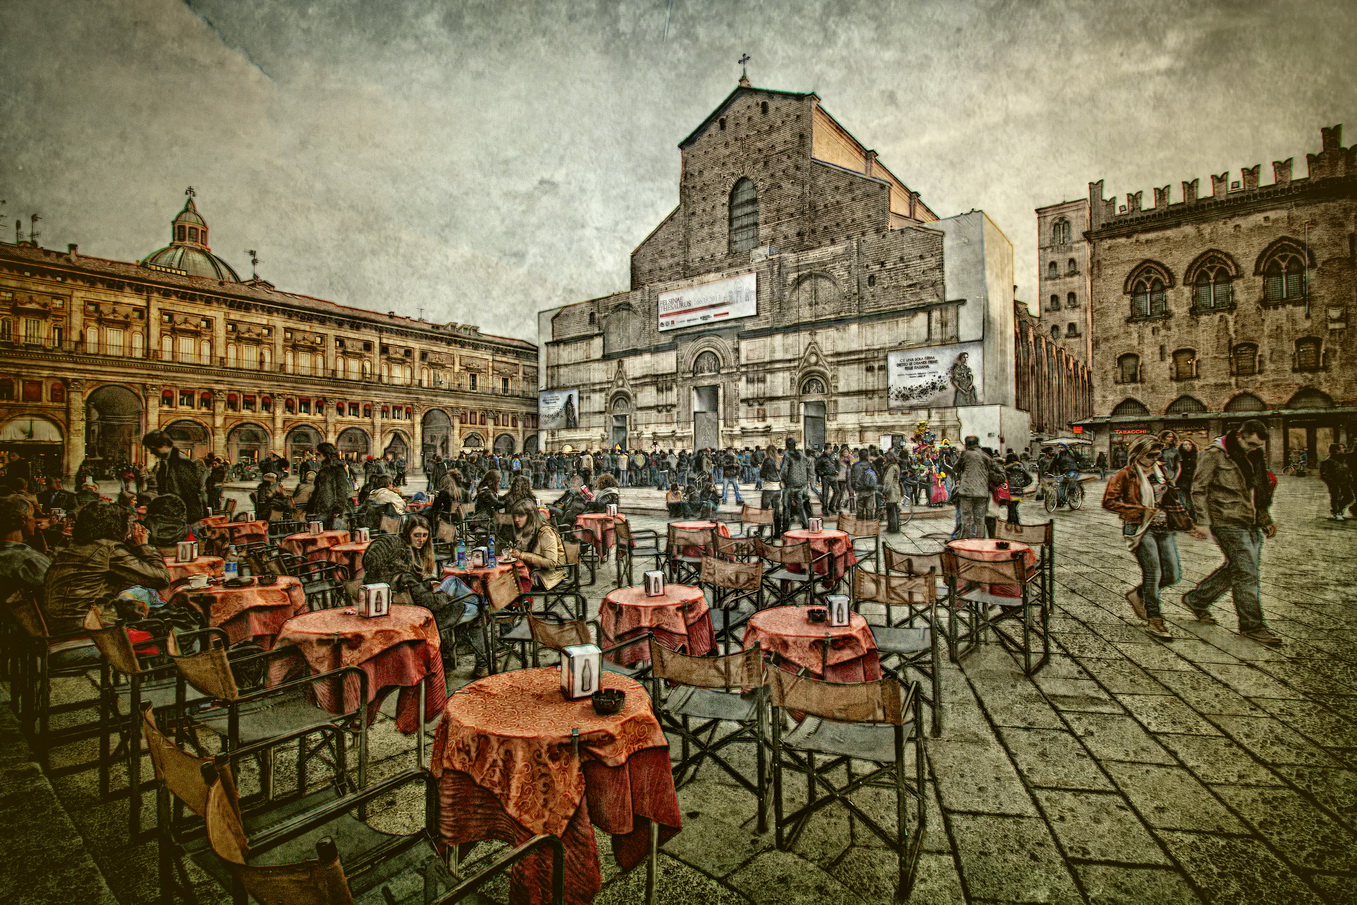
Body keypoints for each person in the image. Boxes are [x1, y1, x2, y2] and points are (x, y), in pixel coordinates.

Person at [1182, 420, 1283, 647]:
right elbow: (1198, 488)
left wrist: (1264, 518)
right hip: (1225, 520)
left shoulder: (1254, 456)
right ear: (1239, 436)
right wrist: (1202, 521)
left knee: (1239, 568)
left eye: (1259, 446)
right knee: (1247, 573)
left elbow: (1257, 490)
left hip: (1250, 521)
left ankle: (1197, 599)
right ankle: (1253, 626)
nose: (1254, 449)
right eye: (1251, 444)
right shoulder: (1215, 454)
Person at [1103, 435, 1206, 640]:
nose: (1154, 458)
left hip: (1164, 527)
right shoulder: (1125, 475)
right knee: (1153, 573)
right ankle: (1155, 619)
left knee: (1172, 574)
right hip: (1141, 528)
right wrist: (1140, 510)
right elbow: (1110, 501)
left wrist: (1188, 525)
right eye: (1150, 455)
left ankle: (1138, 594)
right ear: (1138, 453)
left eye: (1157, 454)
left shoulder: (1162, 471)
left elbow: (1172, 498)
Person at [363, 515, 487, 671]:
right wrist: (442, 594)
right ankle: (483, 664)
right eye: (416, 535)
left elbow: (420, 588)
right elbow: (429, 602)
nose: (421, 540)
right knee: (477, 609)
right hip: (429, 617)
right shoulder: (404, 575)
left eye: (424, 535)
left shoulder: (393, 572)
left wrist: (430, 583)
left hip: (419, 606)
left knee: (452, 581)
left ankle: (481, 605)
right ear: (407, 535)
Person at [41, 502, 171, 635]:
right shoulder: (108, 549)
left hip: (61, 628)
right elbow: (162, 579)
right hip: (91, 631)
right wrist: (143, 546)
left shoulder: (73, 548)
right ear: (116, 526)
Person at [142, 431, 206, 524]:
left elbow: (191, 495)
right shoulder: (165, 462)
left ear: (164, 445)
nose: (152, 452)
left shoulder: (182, 463)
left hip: (186, 516)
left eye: (153, 448)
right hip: (175, 513)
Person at [503, 499, 565, 590]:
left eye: (521, 516)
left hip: (547, 577)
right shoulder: (525, 530)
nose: (516, 520)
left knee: (508, 584)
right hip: (531, 570)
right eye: (514, 516)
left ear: (531, 516)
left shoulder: (546, 532)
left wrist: (522, 555)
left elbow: (551, 563)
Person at [0, 497, 51, 602]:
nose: (35, 521)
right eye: (32, 516)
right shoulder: (30, 560)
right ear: (23, 520)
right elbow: (56, 590)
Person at [954, 436, 999, 539]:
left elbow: (956, 468)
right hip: (982, 492)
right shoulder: (985, 456)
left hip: (967, 492)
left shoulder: (966, 454)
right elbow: (999, 472)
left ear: (967, 444)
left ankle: (965, 540)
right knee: (980, 519)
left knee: (966, 518)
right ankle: (980, 541)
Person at [308, 442, 353, 530]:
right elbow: (317, 491)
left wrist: (338, 510)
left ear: (326, 454)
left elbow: (341, 490)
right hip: (323, 510)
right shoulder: (323, 469)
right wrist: (309, 508)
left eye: (318, 454)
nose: (316, 456)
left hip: (333, 512)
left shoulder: (337, 469)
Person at [780, 438, 813, 531]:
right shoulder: (801, 454)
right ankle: (806, 525)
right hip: (801, 484)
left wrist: (783, 480)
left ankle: (785, 527)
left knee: (786, 506)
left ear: (787, 445)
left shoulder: (787, 455)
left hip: (791, 485)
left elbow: (783, 471)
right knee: (800, 506)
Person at [1319, 443, 1354, 521]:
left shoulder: (1343, 460)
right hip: (1335, 483)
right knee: (1336, 498)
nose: (1344, 449)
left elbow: (1347, 470)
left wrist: (1349, 477)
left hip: (1345, 483)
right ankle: (1337, 513)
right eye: (1342, 448)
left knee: (1350, 497)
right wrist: (1332, 482)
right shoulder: (1328, 461)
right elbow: (1324, 474)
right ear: (1336, 450)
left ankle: (1338, 510)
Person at [880, 453, 902, 533]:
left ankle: (892, 527)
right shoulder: (896, 466)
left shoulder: (891, 468)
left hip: (891, 491)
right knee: (894, 509)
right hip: (895, 489)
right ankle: (894, 527)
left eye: (885, 458)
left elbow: (888, 481)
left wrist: (884, 491)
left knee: (891, 510)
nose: (884, 460)